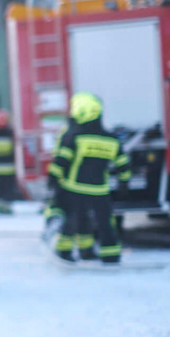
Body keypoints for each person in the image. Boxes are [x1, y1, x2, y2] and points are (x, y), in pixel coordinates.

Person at [49, 93, 131, 263]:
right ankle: (110, 254)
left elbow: (61, 161)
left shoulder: (74, 136)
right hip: (100, 190)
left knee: (74, 221)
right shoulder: (111, 139)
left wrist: (53, 180)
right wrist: (124, 183)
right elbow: (123, 163)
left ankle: (65, 251)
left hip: (74, 188)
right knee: (106, 223)